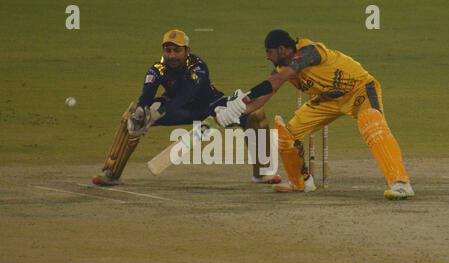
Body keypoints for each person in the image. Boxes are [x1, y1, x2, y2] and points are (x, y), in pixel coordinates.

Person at [215, 29, 414, 200]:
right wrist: (237, 112)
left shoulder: (309, 51)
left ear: (283, 49)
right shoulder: (280, 66)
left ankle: (400, 183)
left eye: (270, 51)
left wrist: (245, 97)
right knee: (287, 135)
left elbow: (280, 79)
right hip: (327, 99)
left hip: (359, 90)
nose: (267, 56)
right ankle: (301, 182)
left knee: (372, 126)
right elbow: (268, 93)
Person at [92, 29, 281, 186]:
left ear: (187, 50)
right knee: (131, 118)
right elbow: (147, 94)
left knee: (255, 114)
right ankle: (111, 172)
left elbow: (187, 95)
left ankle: (262, 173)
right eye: (168, 50)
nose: (171, 55)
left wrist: (159, 112)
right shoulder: (157, 69)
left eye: (176, 50)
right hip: (179, 111)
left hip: (210, 106)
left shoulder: (198, 67)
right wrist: (143, 111)